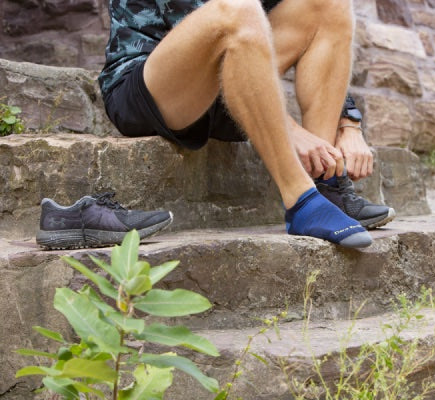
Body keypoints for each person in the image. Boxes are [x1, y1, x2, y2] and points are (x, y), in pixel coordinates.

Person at [38, 0, 396, 250]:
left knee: (329, 2)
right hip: (153, 89)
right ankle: (301, 201)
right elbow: (213, 29)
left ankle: (325, 182)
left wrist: (348, 124)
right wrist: (289, 130)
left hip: (233, 93)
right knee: (235, 10)